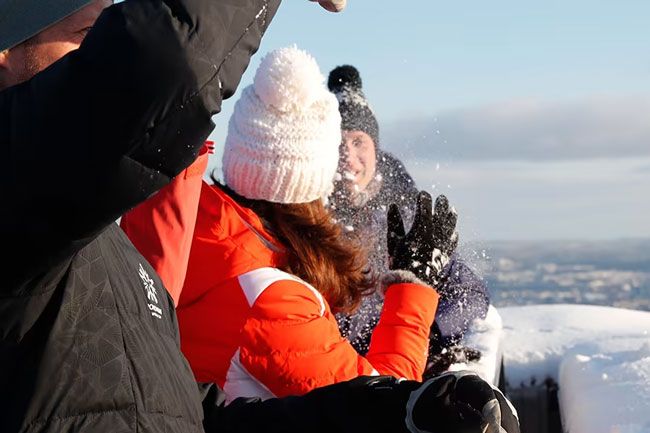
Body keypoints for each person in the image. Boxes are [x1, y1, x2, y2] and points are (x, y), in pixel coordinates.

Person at [0, 1, 518, 431]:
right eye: (87, 36)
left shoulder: (123, 246)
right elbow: (160, 73)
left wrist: (399, 411)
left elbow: (180, 414)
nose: (101, 60)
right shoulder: (265, 291)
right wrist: (413, 292)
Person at [123, 45, 454, 403]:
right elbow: (383, 410)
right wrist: (413, 288)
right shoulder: (269, 301)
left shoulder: (189, 232)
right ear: (310, 182)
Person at [327, 65, 491, 376]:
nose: (348, 156)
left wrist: (427, 333)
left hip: (394, 373)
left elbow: (468, 293)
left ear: (375, 149)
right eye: (338, 143)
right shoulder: (305, 221)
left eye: (358, 141)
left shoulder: (404, 219)